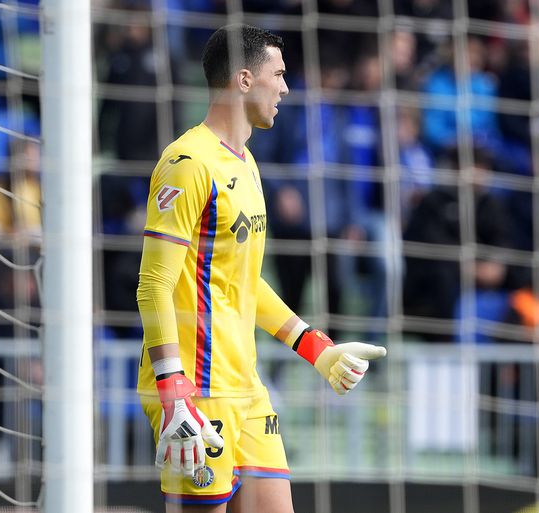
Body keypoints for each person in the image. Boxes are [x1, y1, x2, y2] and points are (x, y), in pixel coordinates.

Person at [136, 24, 386, 512]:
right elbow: (154, 284)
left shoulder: (247, 164)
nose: (287, 88)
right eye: (280, 74)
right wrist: (173, 391)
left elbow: (243, 283)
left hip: (246, 387)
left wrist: (316, 347)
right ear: (245, 79)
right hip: (196, 391)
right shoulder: (188, 163)